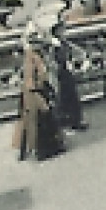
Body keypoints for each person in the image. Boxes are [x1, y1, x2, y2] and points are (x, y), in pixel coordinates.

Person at [12, 18, 65, 161]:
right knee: (38, 121)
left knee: (38, 121)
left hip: (39, 91)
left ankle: (35, 149)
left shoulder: (38, 56)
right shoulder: (31, 58)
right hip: (33, 93)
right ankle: (39, 150)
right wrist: (39, 96)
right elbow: (30, 80)